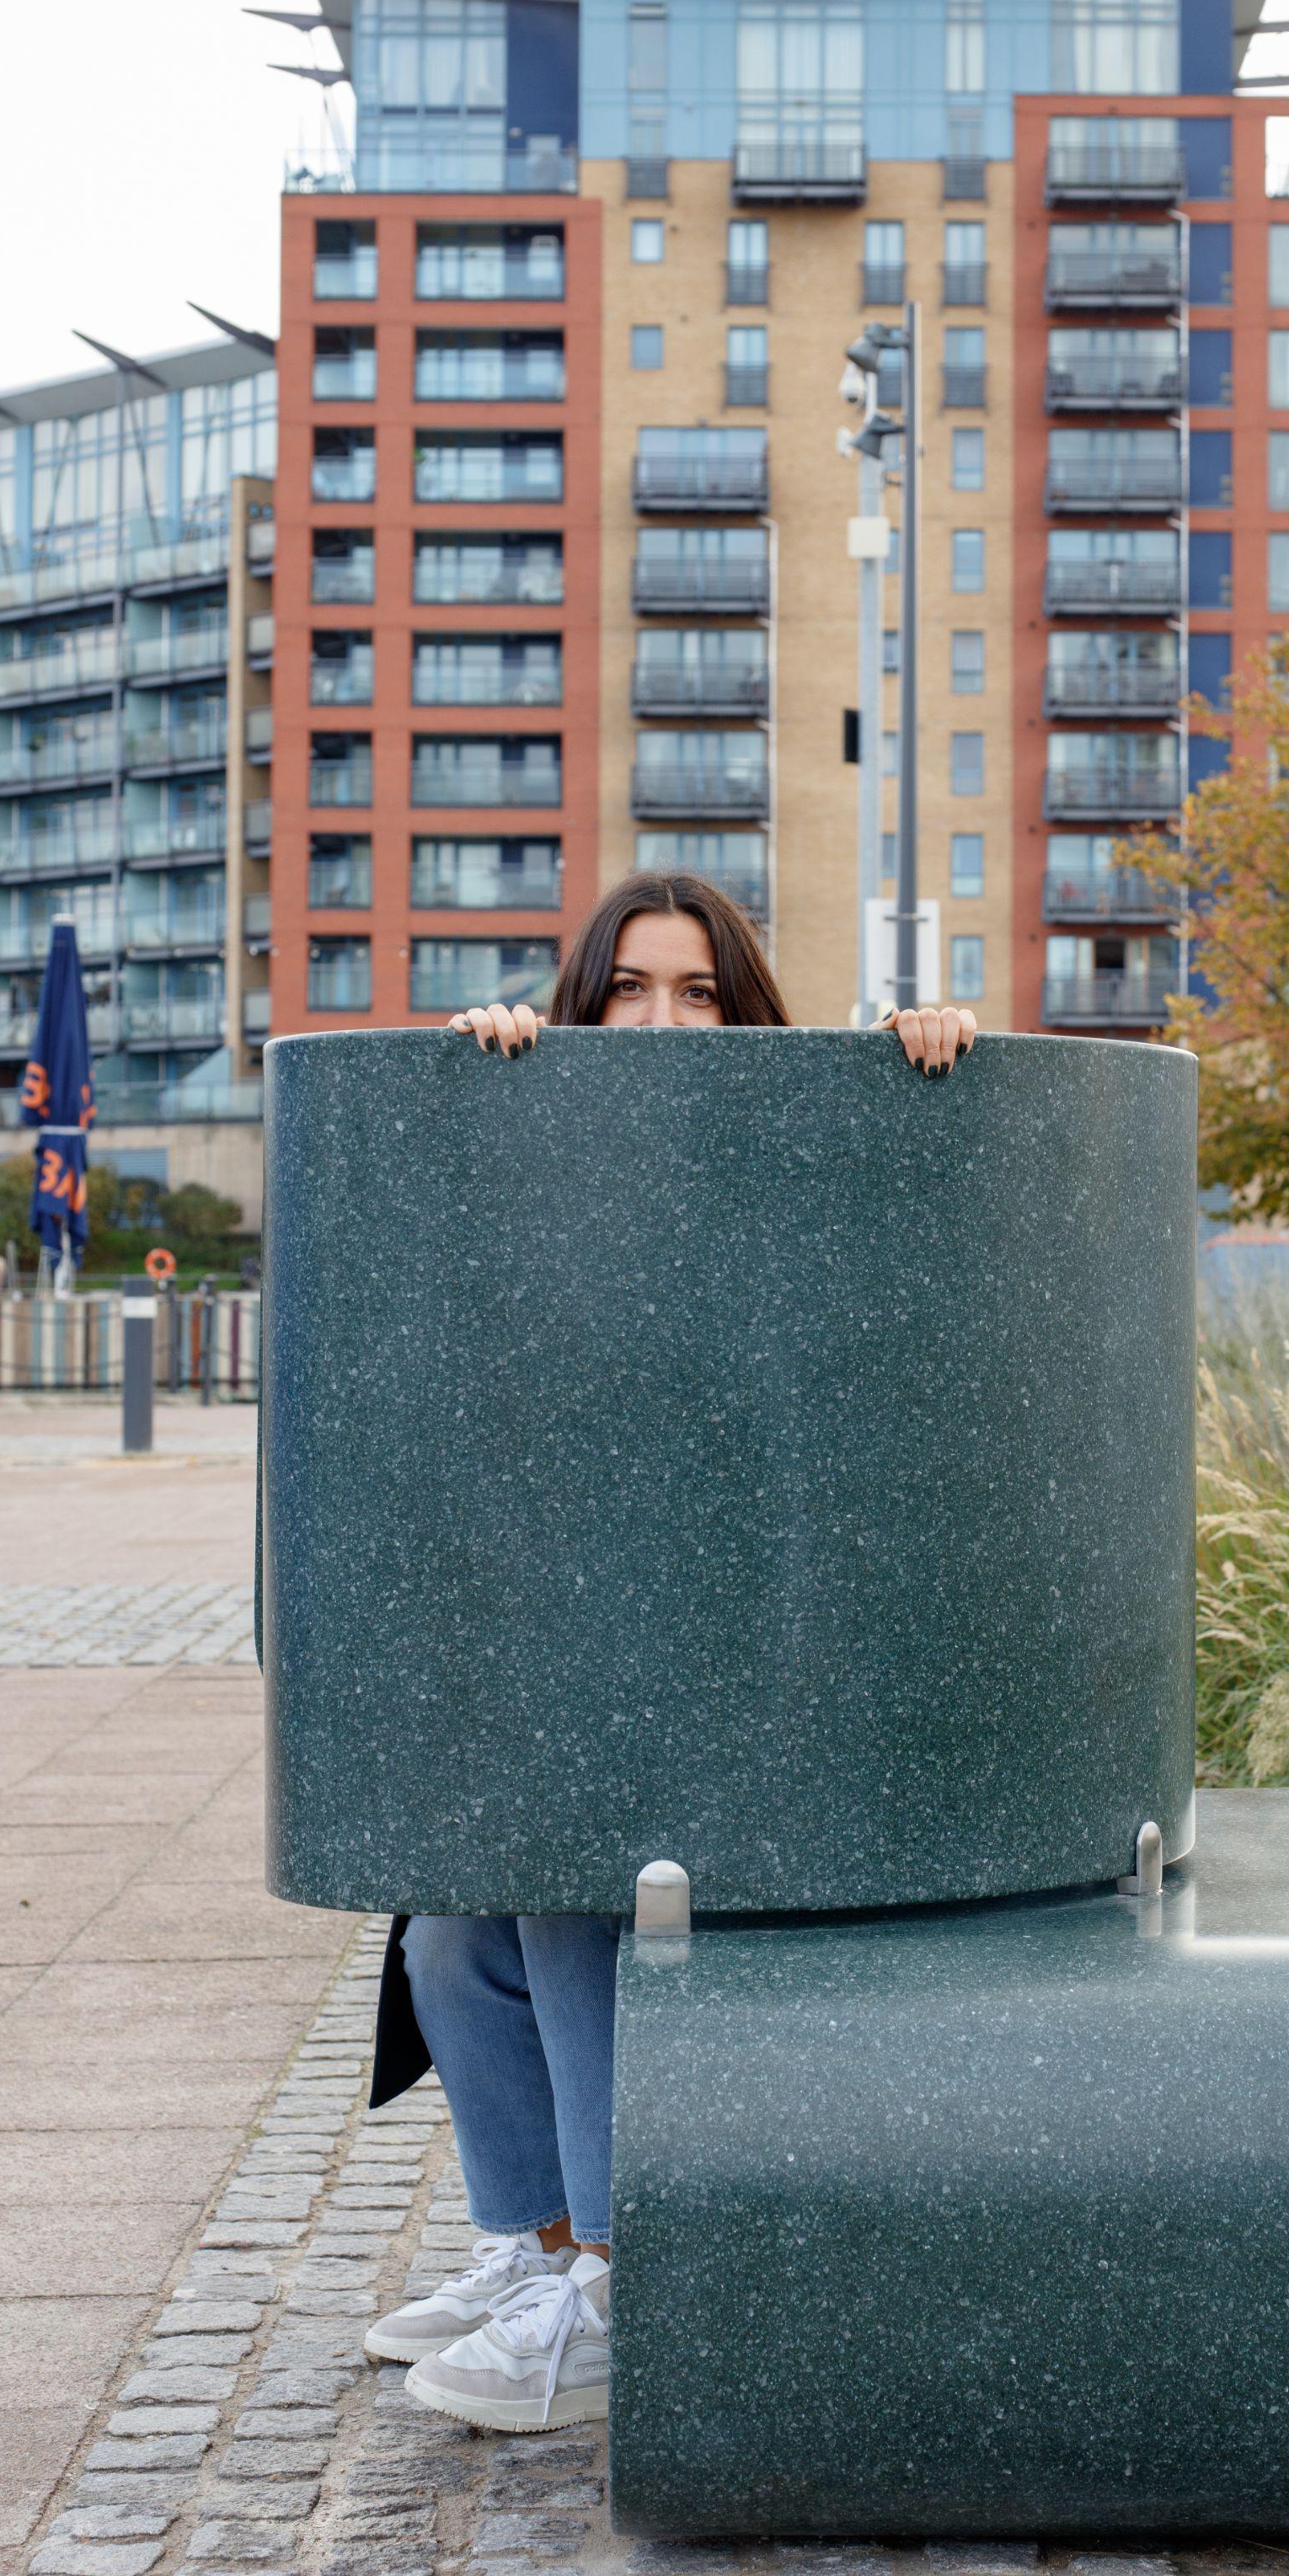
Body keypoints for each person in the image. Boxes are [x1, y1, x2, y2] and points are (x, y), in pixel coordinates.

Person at [363, 871, 975, 2433]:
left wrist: (923, 1050)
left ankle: (628, 2291)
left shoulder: (792, 1159)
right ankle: (538, 2245)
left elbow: (921, 1250)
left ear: (747, 1011)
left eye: (699, 991)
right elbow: (457, 1294)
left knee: (574, 1895)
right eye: (626, 989)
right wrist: (490, 1086)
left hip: (771, 1684)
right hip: (617, 1659)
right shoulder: (556, 1157)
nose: (660, 1019)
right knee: (450, 1926)